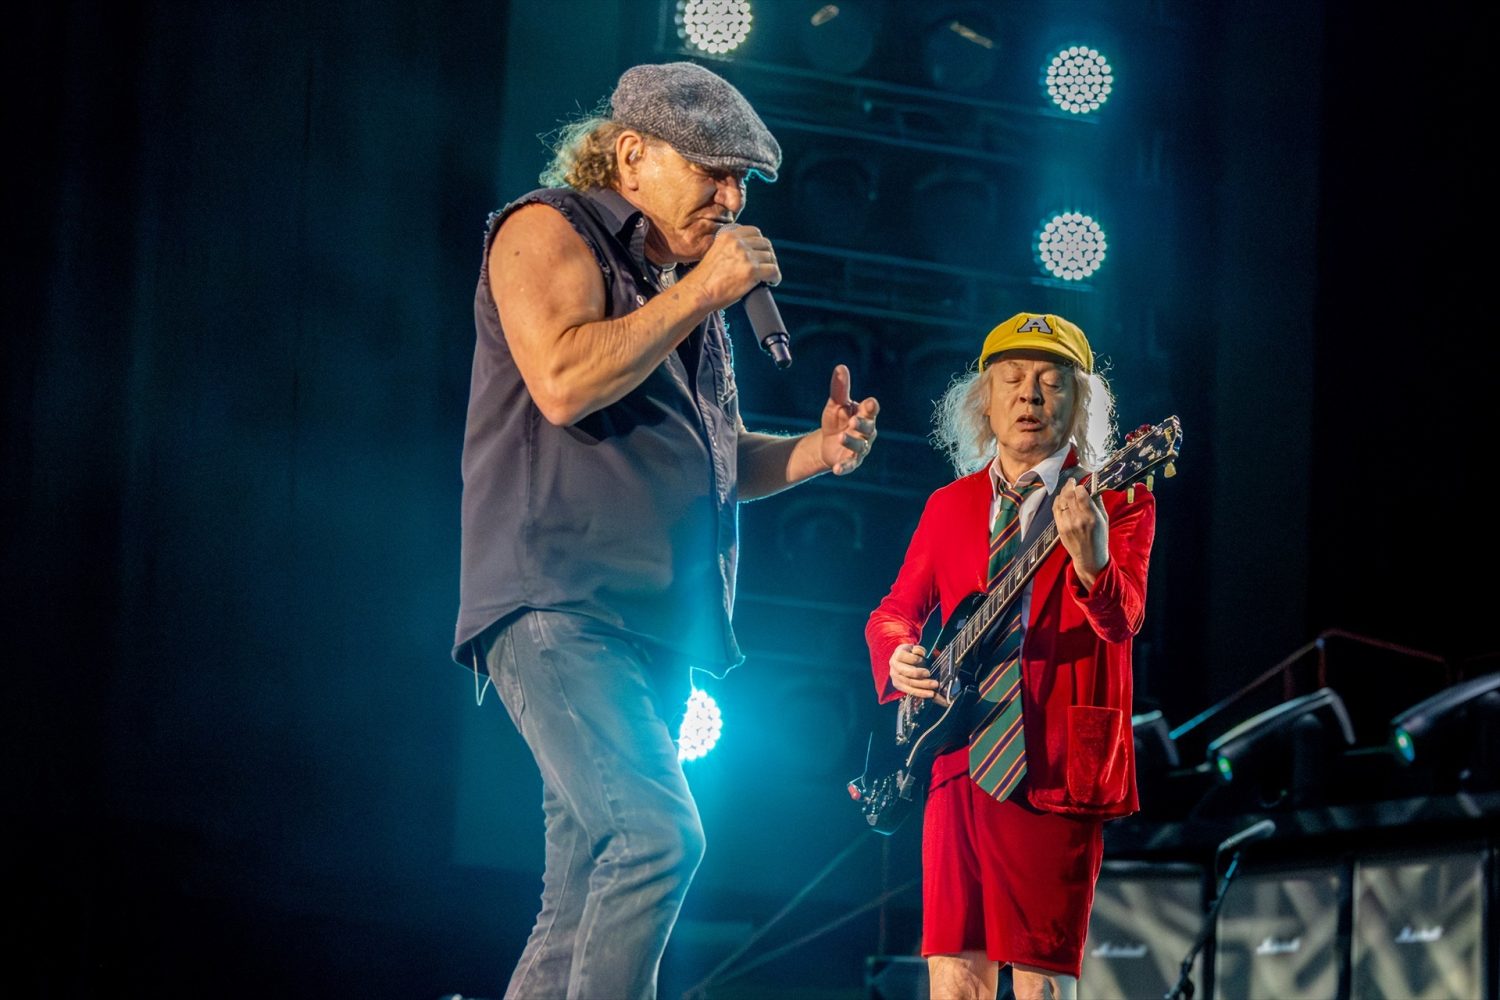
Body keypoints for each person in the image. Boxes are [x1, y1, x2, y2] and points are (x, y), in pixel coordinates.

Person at [453, 62, 880, 1000]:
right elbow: (563, 380)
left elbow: (716, 452)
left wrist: (814, 451)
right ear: (633, 154)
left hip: (649, 622)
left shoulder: (674, 285)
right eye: (714, 173)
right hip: (559, 596)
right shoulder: (546, 228)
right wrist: (698, 294)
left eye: (743, 184)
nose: (731, 200)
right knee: (658, 837)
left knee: (581, 889)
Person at [865, 313, 1153, 1000]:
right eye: (1013, 381)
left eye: (1052, 384)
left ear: (1080, 405)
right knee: (953, 979)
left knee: (1041, 986)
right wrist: (899, 653)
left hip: (1050, 764)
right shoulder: (950, 505)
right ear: (984, 401)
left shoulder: (1118, 497)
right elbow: (894, 612)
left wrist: (1091, 560)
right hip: (955, 758)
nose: (1029, 397)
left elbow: (1123, 620)